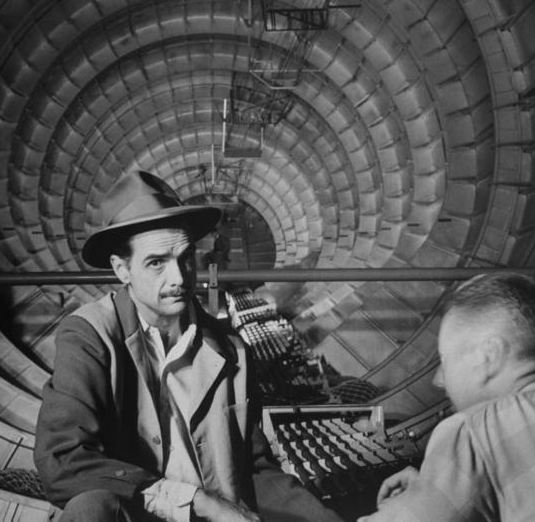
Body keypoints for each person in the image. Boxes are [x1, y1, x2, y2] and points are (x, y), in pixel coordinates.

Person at [34, 170, 343, 522]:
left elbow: (256, 469)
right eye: (157, 263)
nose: (179, 278)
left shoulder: (232, 350)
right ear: (122, 269)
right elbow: (63, 460)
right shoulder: (90, 337)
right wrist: (196, 501)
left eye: (184, 257)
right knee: (91, 508)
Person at [358, 272, 535, 522]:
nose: (439, 380)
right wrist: (437, 486)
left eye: (444, 360)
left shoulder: (475, 429)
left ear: (488, 355)